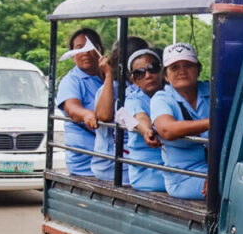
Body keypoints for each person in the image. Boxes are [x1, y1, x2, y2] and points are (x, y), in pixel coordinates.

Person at [151, 43, 210, 200]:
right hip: (184, 176)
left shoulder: (212, 91)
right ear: (166, 76)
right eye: (175, 67)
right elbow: (167, 130)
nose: (182, 71)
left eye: (188, 65)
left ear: (198, 70)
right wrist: (211, 122)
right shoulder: (162, 98)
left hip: (217, 169)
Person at [91, 37, 149, 185]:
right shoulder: (111, 88)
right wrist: (108, 74)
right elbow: (104, 116)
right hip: (113, 163)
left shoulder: (139, 89)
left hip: (132, 161)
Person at [56, 28, 104, 177]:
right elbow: (71, 108)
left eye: (90, 47)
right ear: (72, 55)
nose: (85, 53)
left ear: (100, 50)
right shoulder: (71, 80)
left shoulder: (109, 77)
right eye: (79, 48)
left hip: (110, 153)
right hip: (86, 160)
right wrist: (86, 114)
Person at [123, 47, 166, 192]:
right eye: (140, 73)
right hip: (147, 170)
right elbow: (140, 117)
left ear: (162, 70)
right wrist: (147, 131)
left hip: (174, 164)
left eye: (152, 69)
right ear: (134, 80)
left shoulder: (171, 94)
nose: (148, 75)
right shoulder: (132, 100)